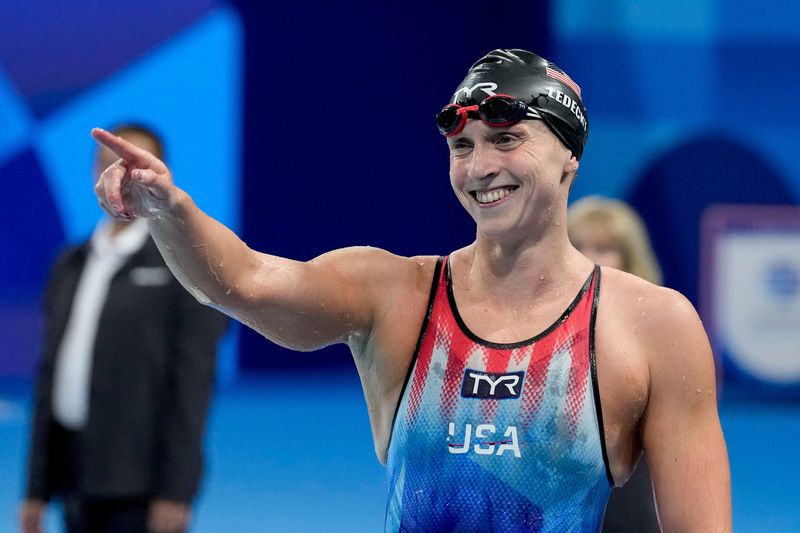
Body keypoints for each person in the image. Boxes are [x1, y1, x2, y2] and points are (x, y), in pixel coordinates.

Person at [90, 49, 731, 532]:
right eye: (462, 146)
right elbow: (245, 281)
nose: (480, 168)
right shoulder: (394, 294)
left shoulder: (653, 325)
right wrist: (169, 209)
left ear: (570, 155)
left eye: (507, 140)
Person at [21, 125, 228, 533]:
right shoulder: (69, 263)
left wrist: (177, 491)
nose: (121, 176)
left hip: (142, 488)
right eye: (108, 163)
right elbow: (50, 378)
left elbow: (193, 386)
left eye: (135, 165)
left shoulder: (185, 266)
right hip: (74, 481)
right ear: (96, 174)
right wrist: (35, 490)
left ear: (159, 174)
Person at [568, 196, 662, 532]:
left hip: (626, 501)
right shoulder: (528, 330)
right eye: (577, 245)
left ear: (629, 257)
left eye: (604, 247)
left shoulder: (661, 330)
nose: (588, 258)